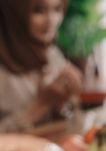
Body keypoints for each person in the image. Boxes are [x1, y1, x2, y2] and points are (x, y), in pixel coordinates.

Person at [0, 0, 82, 132]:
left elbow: (74, 127)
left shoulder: (52, 55)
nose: (51, 20)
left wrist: (66, 103)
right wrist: (40, 105)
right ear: (15, 12)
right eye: (39, 10)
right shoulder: (3, 68)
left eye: (57, 9)